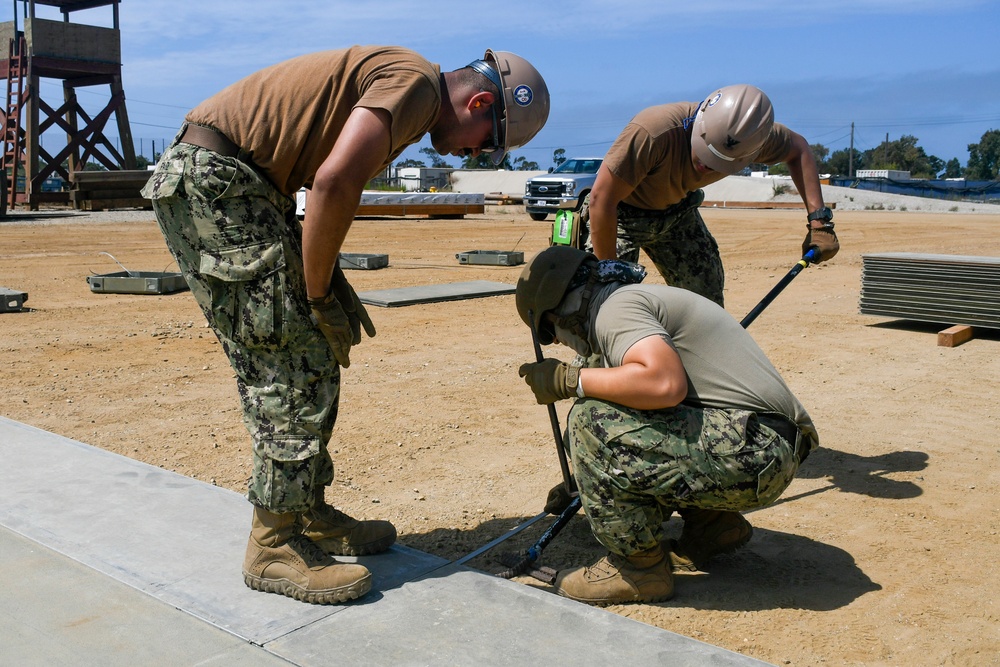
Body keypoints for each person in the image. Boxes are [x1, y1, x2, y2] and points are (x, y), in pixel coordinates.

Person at [141, 46, 549, 605]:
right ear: (479, 103)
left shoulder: (411, 89)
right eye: (484, 143)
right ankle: (273, 545)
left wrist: (324, 281)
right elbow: (334, 183)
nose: (473, 154)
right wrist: (315, 292)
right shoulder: (417, 87)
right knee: (290, 358)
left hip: (242, 188)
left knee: (311, 351)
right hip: (223, 185)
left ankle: (305, 512)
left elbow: (324, 181)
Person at [515, 246, 818, 606]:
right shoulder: (628, 301)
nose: (559, 343)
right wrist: (586, 481)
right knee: (605, 408)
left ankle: (638, 571)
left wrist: (569, 380)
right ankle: (712, 527)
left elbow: (663, 384)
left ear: (559, 310)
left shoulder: (616, 310)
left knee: (590, 419)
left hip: (756, 450)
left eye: (550, 333)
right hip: (764, 447)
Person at [582, 84, 838, 307]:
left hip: (677, 213)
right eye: (706, 152)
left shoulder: (752, 137)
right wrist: (609, 273)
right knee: (604, 308)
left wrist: (819, 222)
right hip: (621, 215)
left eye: (720, 162)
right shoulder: (654, 131)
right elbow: (601, 199)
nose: (706, 166)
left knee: (706, 302)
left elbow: (799, 149)